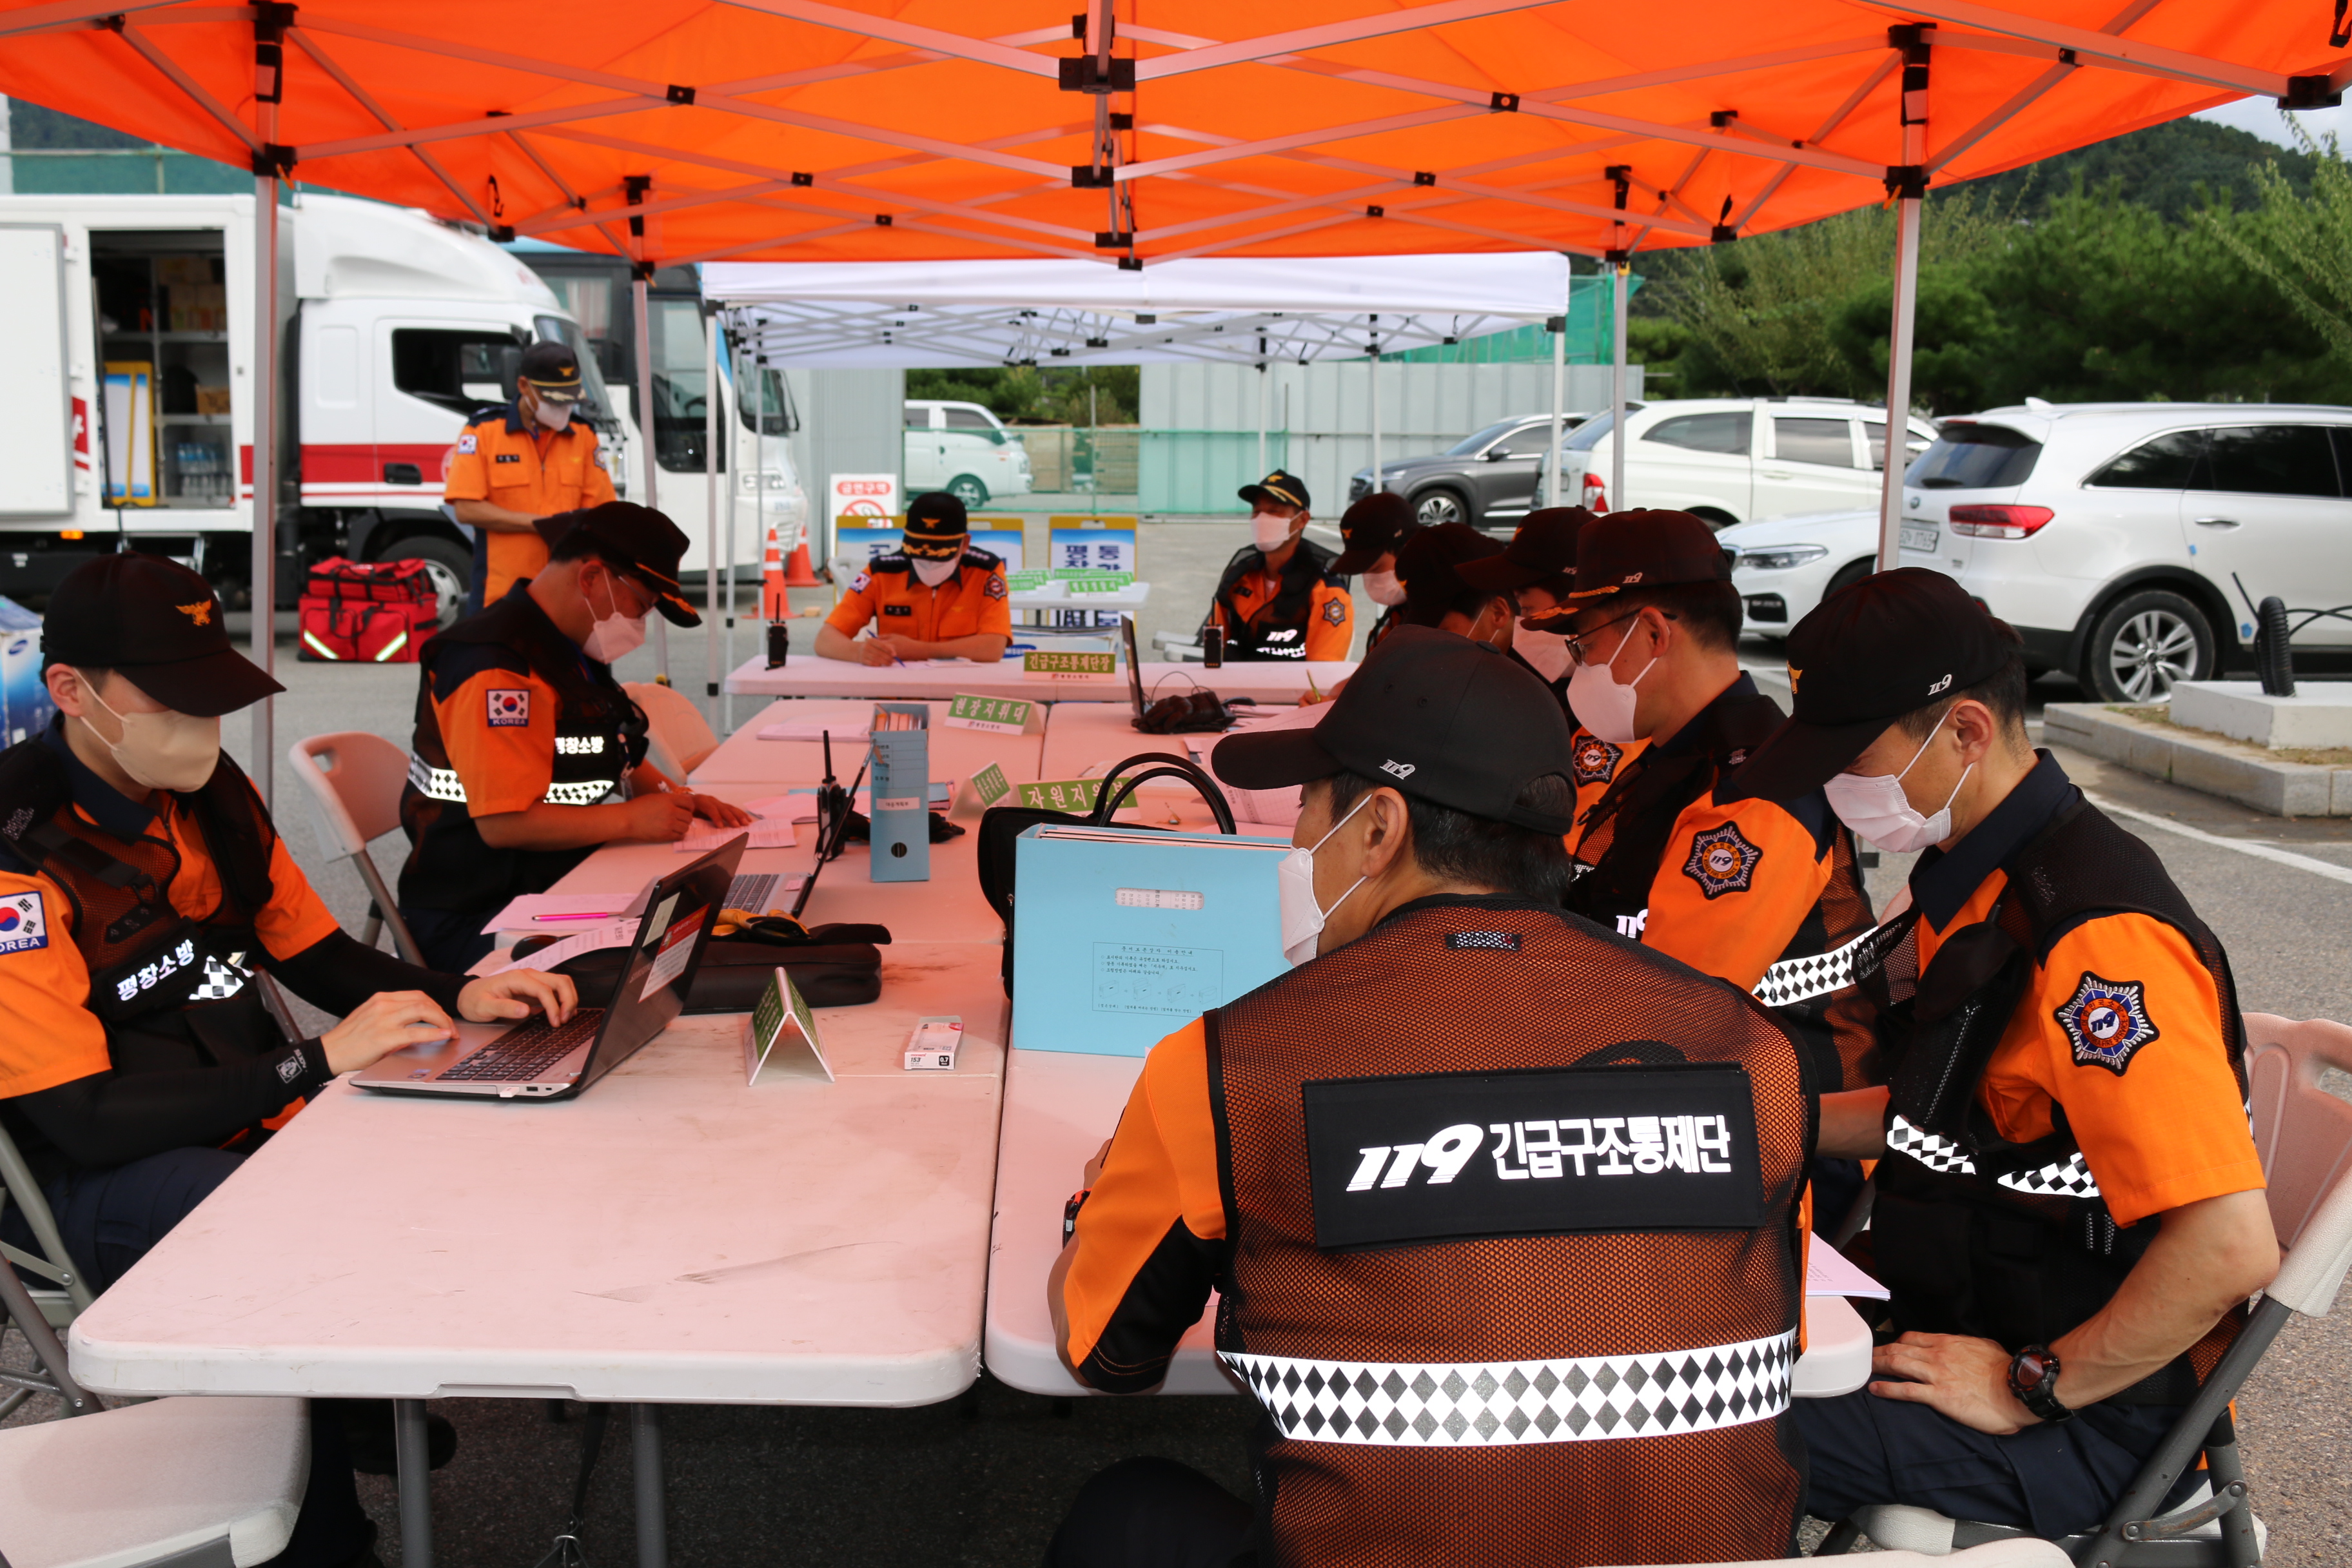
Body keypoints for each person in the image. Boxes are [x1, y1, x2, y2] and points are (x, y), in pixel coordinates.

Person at [1045, 627, 1818, 1568]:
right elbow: (1769, 1336)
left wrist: (1099, 1199)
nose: (1295, 841)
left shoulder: (1228, 1065)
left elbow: (1107, 1353)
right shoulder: (1749, 1050)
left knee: (1124, 1509)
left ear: (1378, 827)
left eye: (1306, 807)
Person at [0, 552, 574, 1568]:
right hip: (78, 1172)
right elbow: (83, 1119)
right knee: (273, 1229)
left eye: (212, 695)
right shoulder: (16, 855)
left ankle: (347, 1401)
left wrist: (459, 992)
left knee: (443, 1134)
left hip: (227, 1109)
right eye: (173, 699)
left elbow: (312, 951)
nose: (204, 724)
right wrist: (312, 1063)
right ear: (72, 692)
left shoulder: (210, 792)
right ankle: (326, 1522)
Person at [1725, 569, 2278, 1539]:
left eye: (1855, 757)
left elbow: (2229, 1247)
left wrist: (2035, 1384)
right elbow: (1942, 1115)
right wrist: (1747, 1124)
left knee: (1696, 1432)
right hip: (1959, 1317)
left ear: (1967, 732)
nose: (1836, 788)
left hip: (2083, 1416)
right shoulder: (1978, 879)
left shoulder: (2100, 943)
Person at [1556, 509, 1882, 1100]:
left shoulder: (1753, 792)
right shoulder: (1674, 755)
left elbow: (1672, 1013)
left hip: (1786, 1117)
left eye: (1586, 645)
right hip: (1704, 1092)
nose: (1582, 667)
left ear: (1652, 634)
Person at [397, 502, 750, 973]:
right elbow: (504, 825)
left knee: (714, 933)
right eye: (642, 605)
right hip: (479, 915)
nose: (641, 624)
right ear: (591, 578)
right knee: (676, 965)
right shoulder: (496, 666)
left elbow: (615, 753)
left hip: (552, 884)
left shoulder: (566, 649)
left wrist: (679, 799)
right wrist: (630, 819)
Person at [444, 339, 618, 611]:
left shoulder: (583, 435)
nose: (562, 409)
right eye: (553, 400)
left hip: (568, 595)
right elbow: (467, 509)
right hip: (502, 595)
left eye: (569, 400)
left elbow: (602, 511)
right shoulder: (484, 432)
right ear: (524, 386)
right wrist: (539, 524)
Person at [814, 491, 1012, 665]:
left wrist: (918, 650)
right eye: (918, 552)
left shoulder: (985, 571)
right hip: (896, 688)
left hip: (961, 688)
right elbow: (826, 639)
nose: (928, 562)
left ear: (964, 544)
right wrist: (860, 652)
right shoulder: (882, 572)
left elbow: (993, 647)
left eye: (940, 554)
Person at [1205, 469, 1351, 662]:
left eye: (1274, 511)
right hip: (1237, 677)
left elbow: (1323, 668)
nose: (1262, 519)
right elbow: (1214, 645)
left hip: (1294, 680)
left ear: (1302, 520)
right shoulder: (1239, 575)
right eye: (1257, 511)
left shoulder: (1324, 587)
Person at [1328, 491, 1422, 653]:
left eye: (1375, 568)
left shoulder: (1446, 614)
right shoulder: (1401, 611)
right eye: (1363, 571)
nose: (1370, 579)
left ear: (1408, 548)